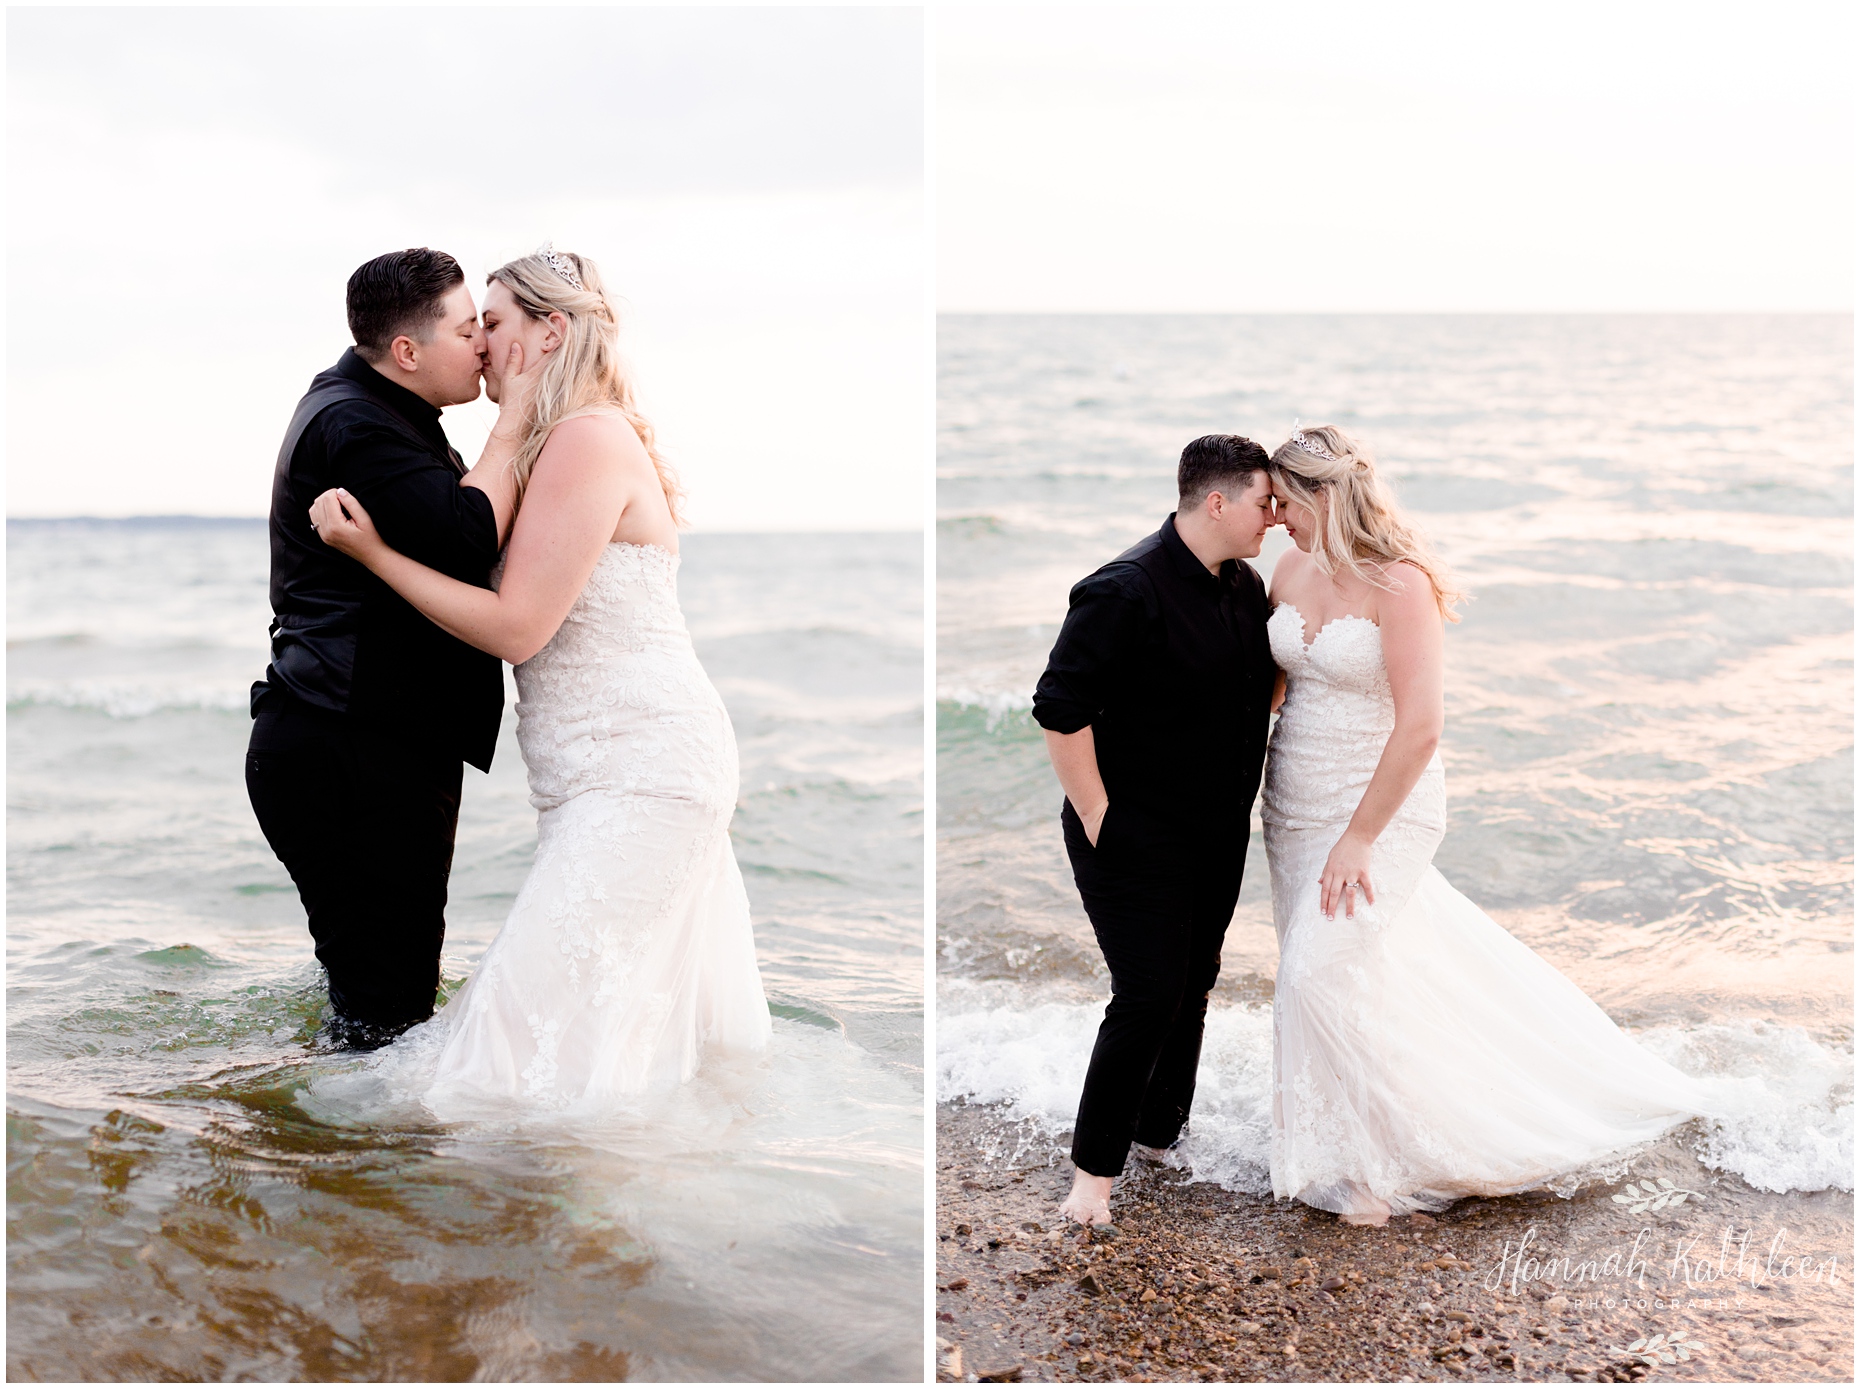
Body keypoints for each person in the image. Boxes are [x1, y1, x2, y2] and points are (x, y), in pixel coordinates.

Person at [310, 245, 770, 1112]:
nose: (481, 343)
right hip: (593, 778)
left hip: (644, 771)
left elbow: (518, 626)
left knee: (510, 1049)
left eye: (494, 322)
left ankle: (513, 1217)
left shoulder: (585, 440)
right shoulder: (554, 443)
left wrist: (370, 553)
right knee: (576, 1039)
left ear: (550, 330)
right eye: (473, 326)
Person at [1262, 423, 1718, 1224]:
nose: (1276, 516)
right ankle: (1345, 1151)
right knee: (1356, 976)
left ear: (1323, 496)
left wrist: (1360, 835)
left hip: (1376, 812)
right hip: (1292, 809)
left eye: (1286, 501)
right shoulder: (1289, 568)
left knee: (1314, 970)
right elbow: (1269, 690)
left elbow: (1422, 727)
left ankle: (1425, 1154)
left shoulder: (1399, 583)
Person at [246, 247, 502, 1049]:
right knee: (386, 1019)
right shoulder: (355, 425)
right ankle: (338, 1163)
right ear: (406, 352)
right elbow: (468, 537)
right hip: (349, 750)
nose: (485, 346)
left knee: (376, 1011)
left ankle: (332, 1165)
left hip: (353, 740)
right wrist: (524, 413)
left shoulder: (371, 404)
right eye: (469, 331)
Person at [1030, 436, 1280, 1226]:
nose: (1273, 517)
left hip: (1217, 831)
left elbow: (1256, 689)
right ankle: (1090, 1182)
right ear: (1217, 501)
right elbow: (1059, 709)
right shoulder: (1122, 590)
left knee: (1193, 985)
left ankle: (1156, 1140)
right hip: (1133, 831)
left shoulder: (1244, 587)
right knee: (1146, 994)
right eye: (1264, 502)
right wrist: (1102, 816)